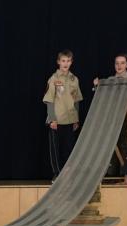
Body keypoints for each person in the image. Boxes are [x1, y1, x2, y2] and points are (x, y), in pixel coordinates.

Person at [93, 54, 127, 175]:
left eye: (122, 63)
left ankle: (124, 172)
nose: (119, 66)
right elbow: (102, 99)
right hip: (113, 115)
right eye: (117, 63)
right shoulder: (110, 80)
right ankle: (111, 172)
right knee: (111, 143)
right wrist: (97, 86)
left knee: (125, 144)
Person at [43, 49, 83, 177]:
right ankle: (57, 174)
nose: (66, 64)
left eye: (68, 61)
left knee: (69, 149)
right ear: (58, 62)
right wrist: (52, 119)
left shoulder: (74, 79)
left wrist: (76, 119)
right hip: (57, 120)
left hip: (70, 120)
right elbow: (49, 100)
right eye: (63, 61)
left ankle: (68, 175)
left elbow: (76, 100)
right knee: (55, 150)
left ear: (71, 62)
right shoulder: (53, 79)